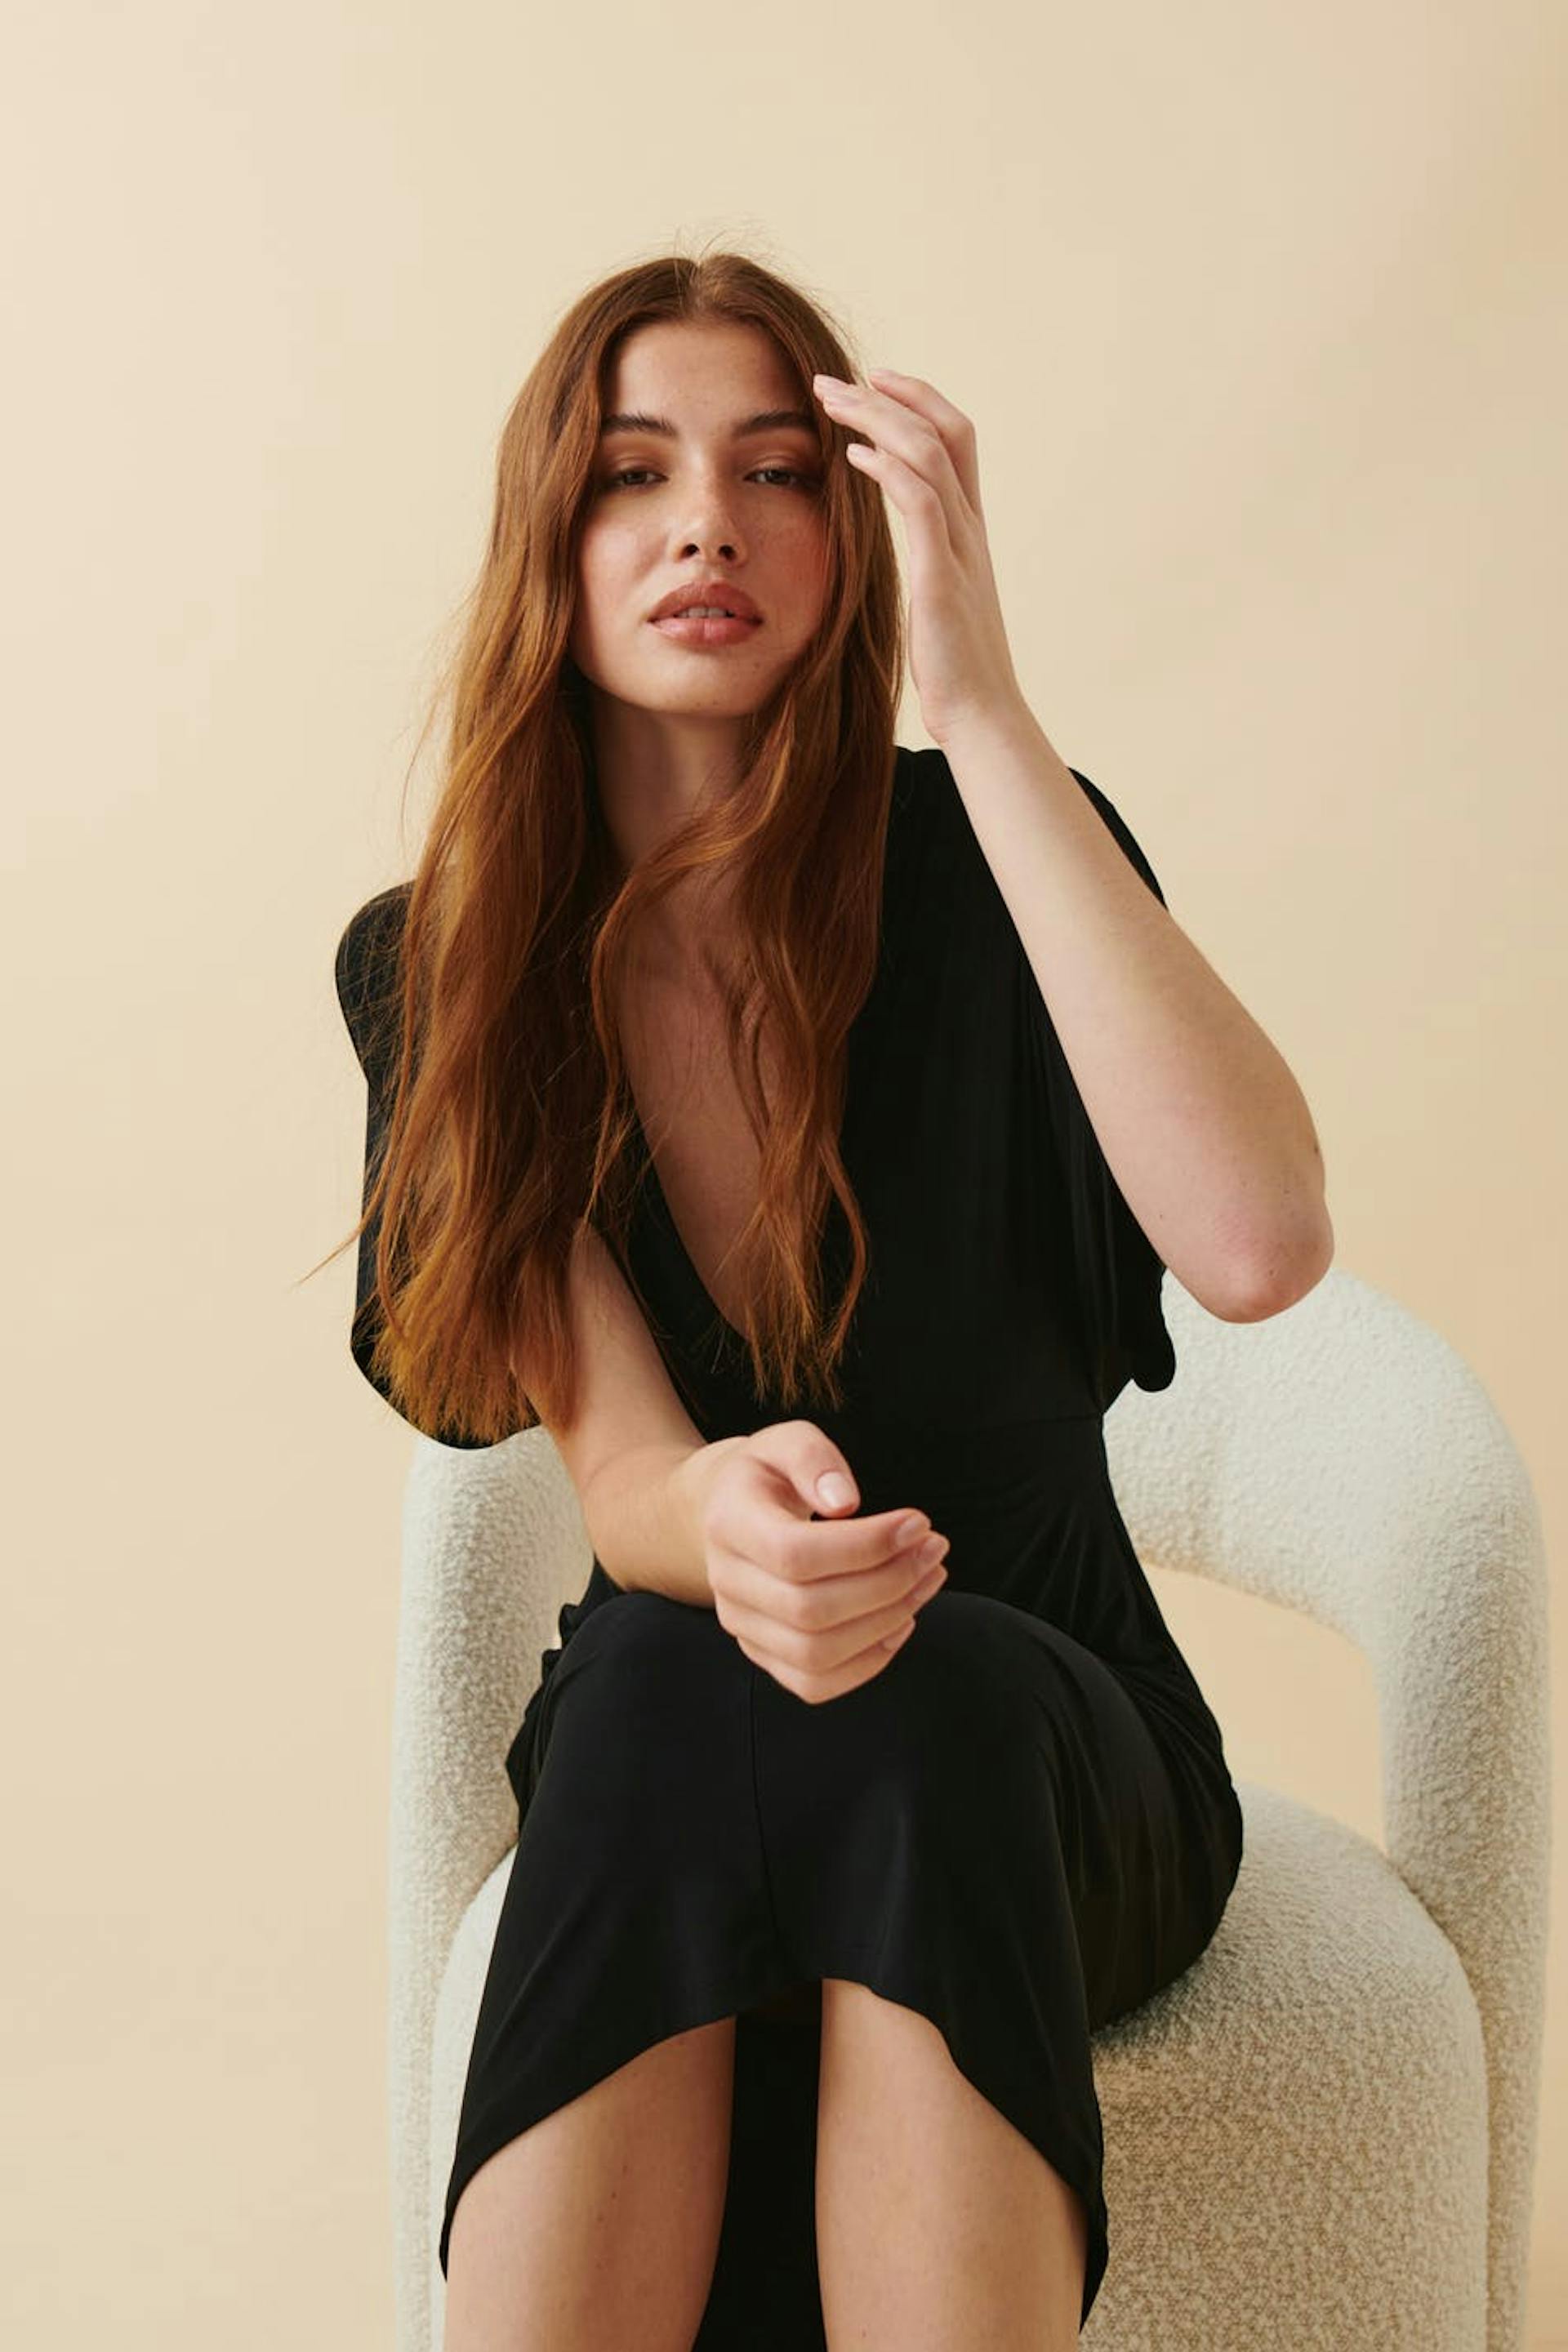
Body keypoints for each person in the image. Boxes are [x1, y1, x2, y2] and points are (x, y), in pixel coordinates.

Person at [329, 252, 1331, 2350]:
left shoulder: (1007, 852)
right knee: (655, 1678)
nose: (706, 524)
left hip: (1052, 1736)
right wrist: (730, 1526)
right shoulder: (459, 959)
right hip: (682, 1725)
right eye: (634, 474)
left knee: (918, 1693)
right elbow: (624, 1470)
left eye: (779, 471)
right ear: (550, 542)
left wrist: (986, 713)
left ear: (859, 529)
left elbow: (1258, 1242)